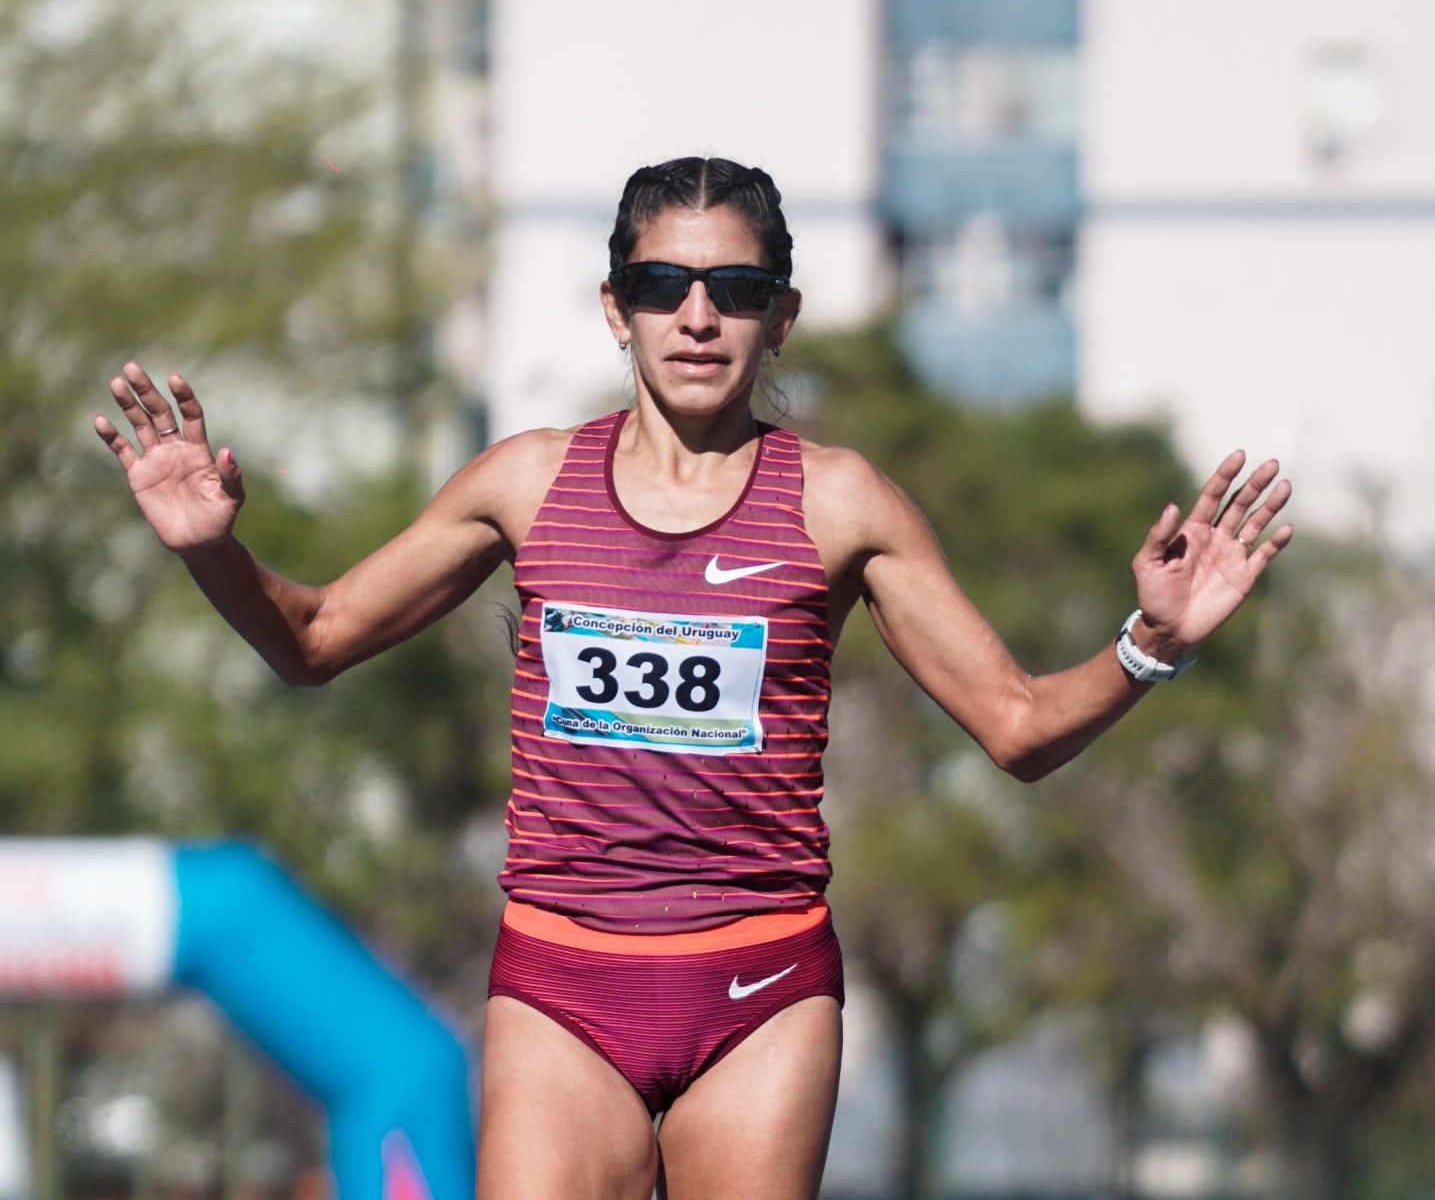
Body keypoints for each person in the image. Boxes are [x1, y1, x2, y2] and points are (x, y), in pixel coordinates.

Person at [95, 156, 1293, 1200]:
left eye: (738, 288)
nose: (699, 314)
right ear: (615, 309)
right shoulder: (524, 482)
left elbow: (1019, 725)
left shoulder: (838, 501)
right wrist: (216, 554)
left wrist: (1155, 642)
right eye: (664, 284)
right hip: (561, 982)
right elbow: (311, 639)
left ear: (784, 316)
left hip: (759, 989)